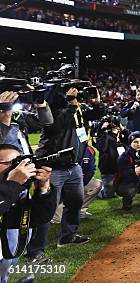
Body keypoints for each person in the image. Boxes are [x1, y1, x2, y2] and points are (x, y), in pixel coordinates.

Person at [26, 86, 104, 263]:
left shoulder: (78, 110)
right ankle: (34, 251)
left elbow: (97, 115)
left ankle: (67, 237)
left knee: (75, 203)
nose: (77, 95)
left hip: (73, 166)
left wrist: (96, 102)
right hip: (52, 167)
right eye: (71, 92)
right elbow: (55, 127)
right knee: (45, 209)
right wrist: (71, 104)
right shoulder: (53, 110)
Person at [0, 144, 56, 283]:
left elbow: (40, 217)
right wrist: (13, 184)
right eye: (12, 163)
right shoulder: (12, 188)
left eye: (21, 162)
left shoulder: (17, 192)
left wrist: (44, 187)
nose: (18, 169)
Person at [51, 144, 102, 223]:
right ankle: (53, 214)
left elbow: (91, 169)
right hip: (61, 182)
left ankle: (80, 209)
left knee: (96, 184)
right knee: (58, 219)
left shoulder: (89, 150)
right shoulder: (64, 148)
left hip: (81, 181)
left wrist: (80, 184)